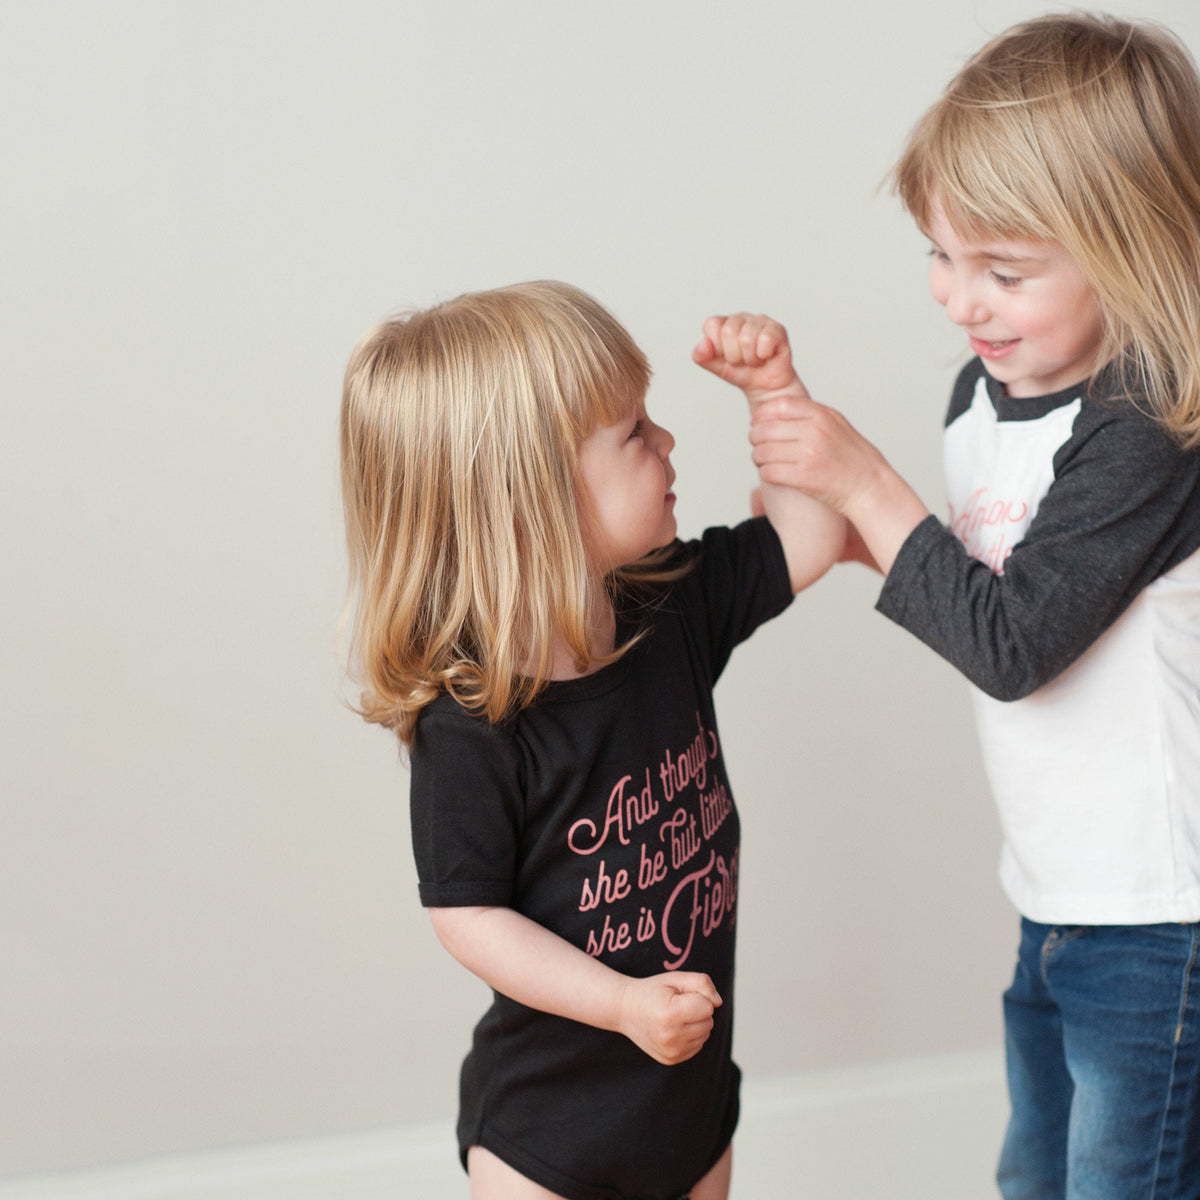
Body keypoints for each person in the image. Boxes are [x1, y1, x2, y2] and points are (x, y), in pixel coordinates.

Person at [705, 13, 1200, 1198]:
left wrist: (870, 483)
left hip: (1160, 913)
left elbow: (1015, 643)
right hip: (1057, 892)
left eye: (1004, 271)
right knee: (1037, 1172)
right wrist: (809, 445)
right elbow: (970, 581)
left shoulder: (1144, 430)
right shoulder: (990, 397)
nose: (959, 300)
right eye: (940, 254)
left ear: (1136, 249)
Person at [339, 280, 843, 1200]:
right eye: (634, 434)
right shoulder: (474, 720)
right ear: (531, 498)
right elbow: (467, 913)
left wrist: (773, 393)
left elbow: (814, 528)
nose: (667, 442)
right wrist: (619, 1003)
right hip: (548, 1137)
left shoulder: (670, 608)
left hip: (689, 1100)